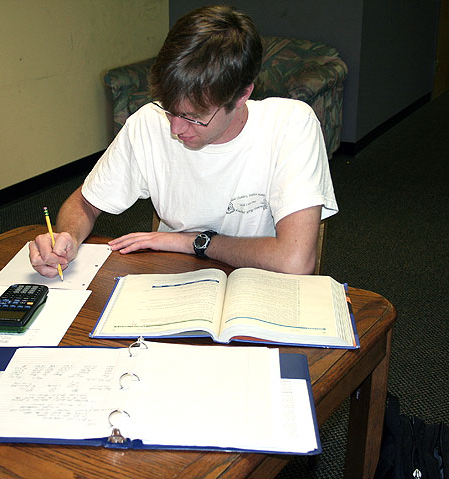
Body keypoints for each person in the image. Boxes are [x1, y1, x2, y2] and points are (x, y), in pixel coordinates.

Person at [30, 5, 338, 278]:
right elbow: (85, 202)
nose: (176, 128)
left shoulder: (291, 124)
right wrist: (66, 237)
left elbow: (294, 261)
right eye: (169, 109)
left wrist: (192, 242)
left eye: (193, 116)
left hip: (263, 285)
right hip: (174, 281)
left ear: (242, 95)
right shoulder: (149, 123)